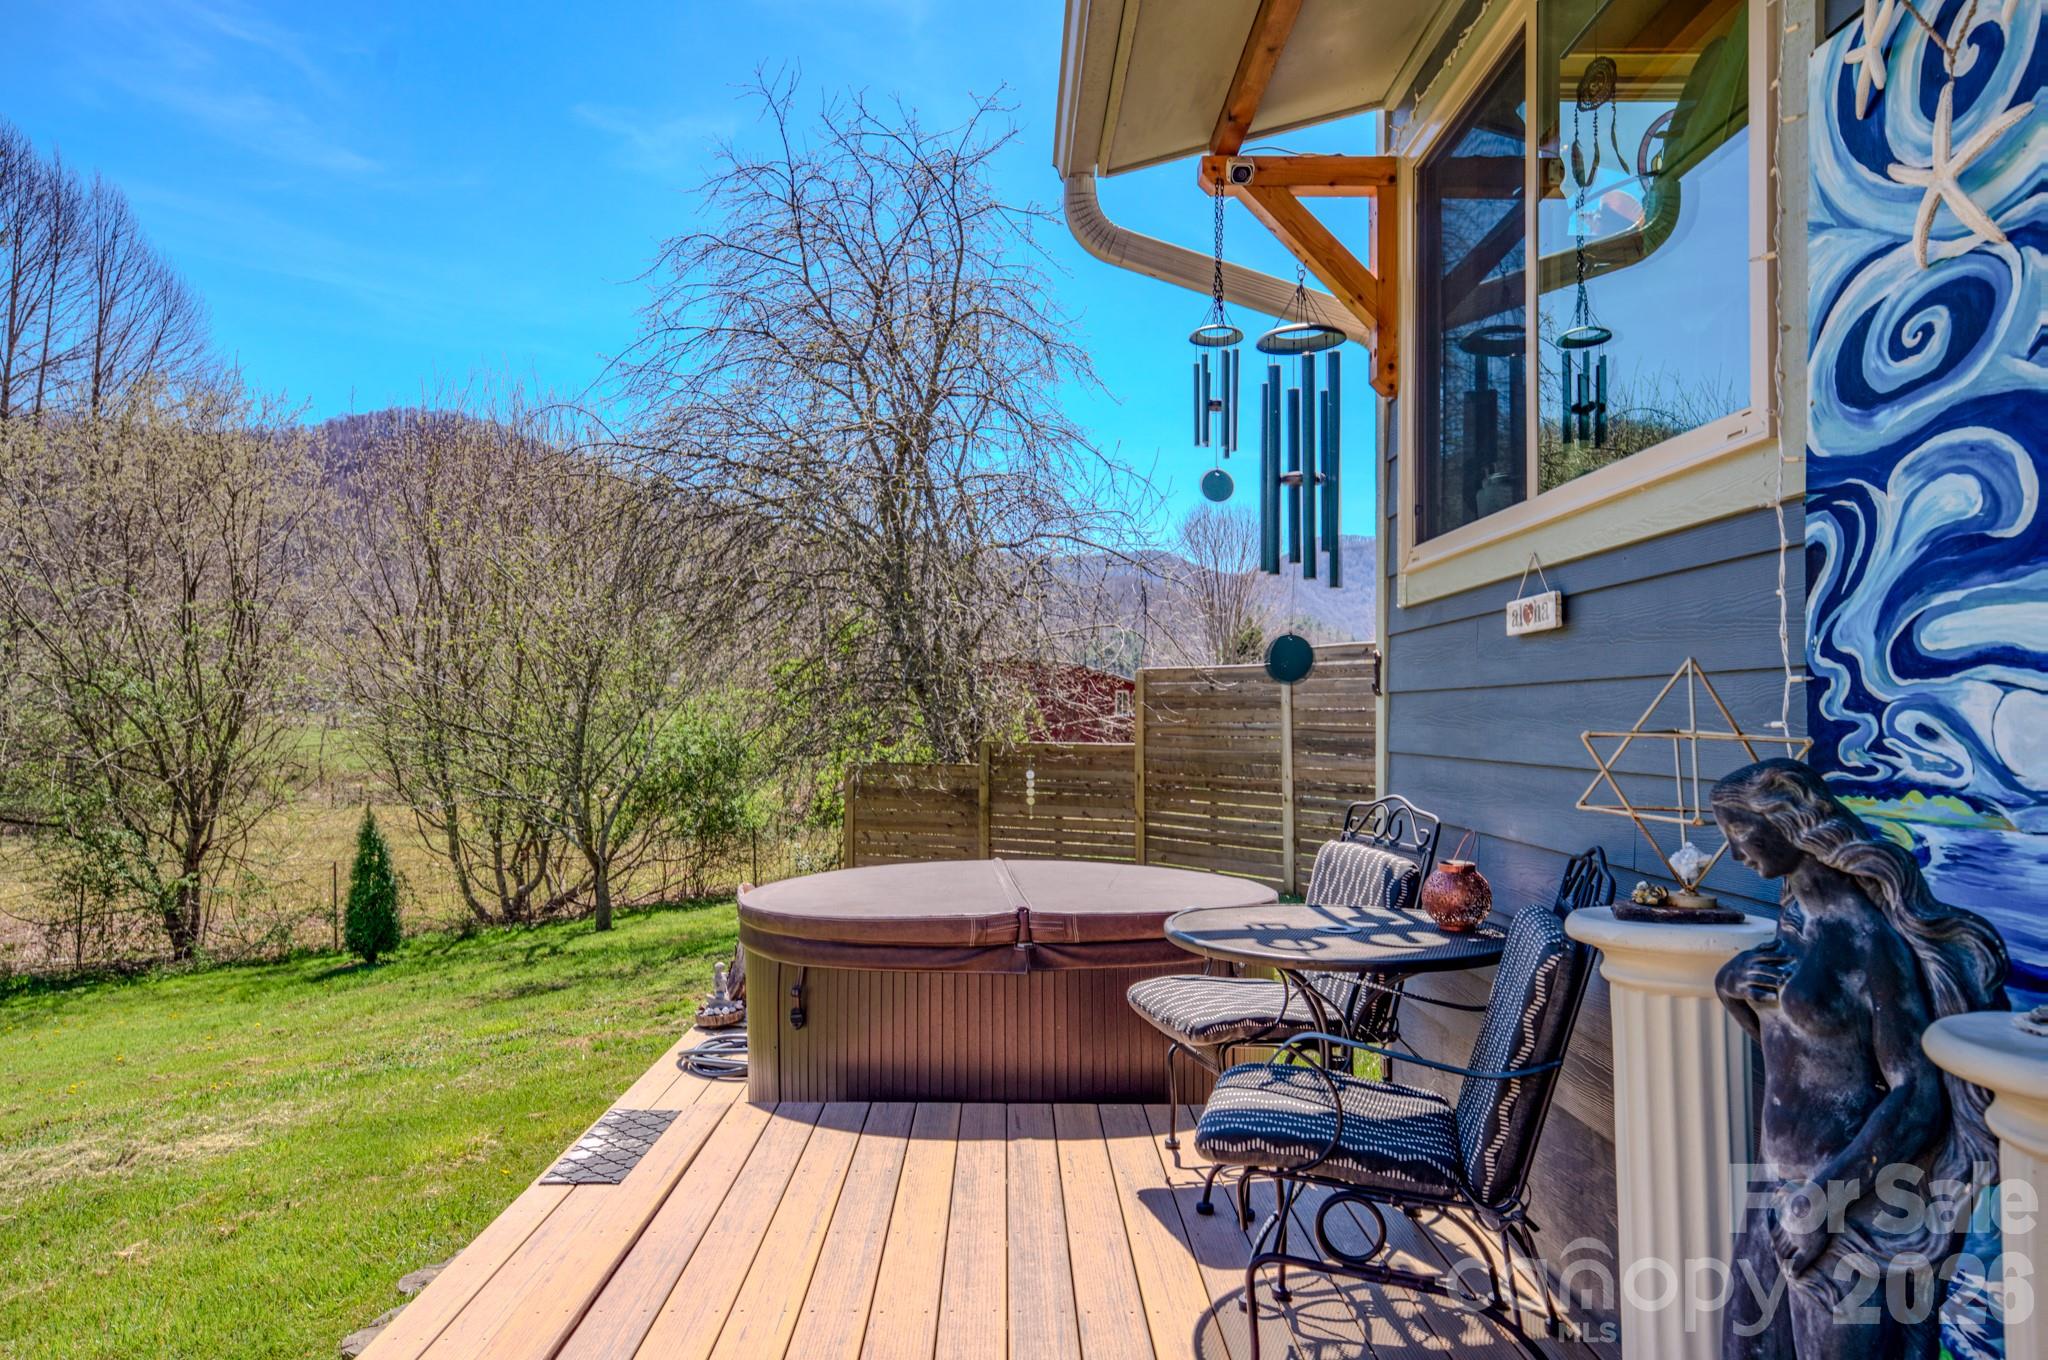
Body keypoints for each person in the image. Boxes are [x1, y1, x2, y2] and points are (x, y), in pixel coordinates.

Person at [1710, 758, 2007, 1359]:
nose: (1735, 856)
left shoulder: (1871, 942)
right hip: (1775, 1189)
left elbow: (1917, 1094)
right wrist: (1729, 987)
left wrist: (1822, 1203)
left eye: (1739, 836)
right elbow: (1792, 1050)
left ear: (1789, 825)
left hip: (1845, 1211)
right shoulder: (1794, 922)